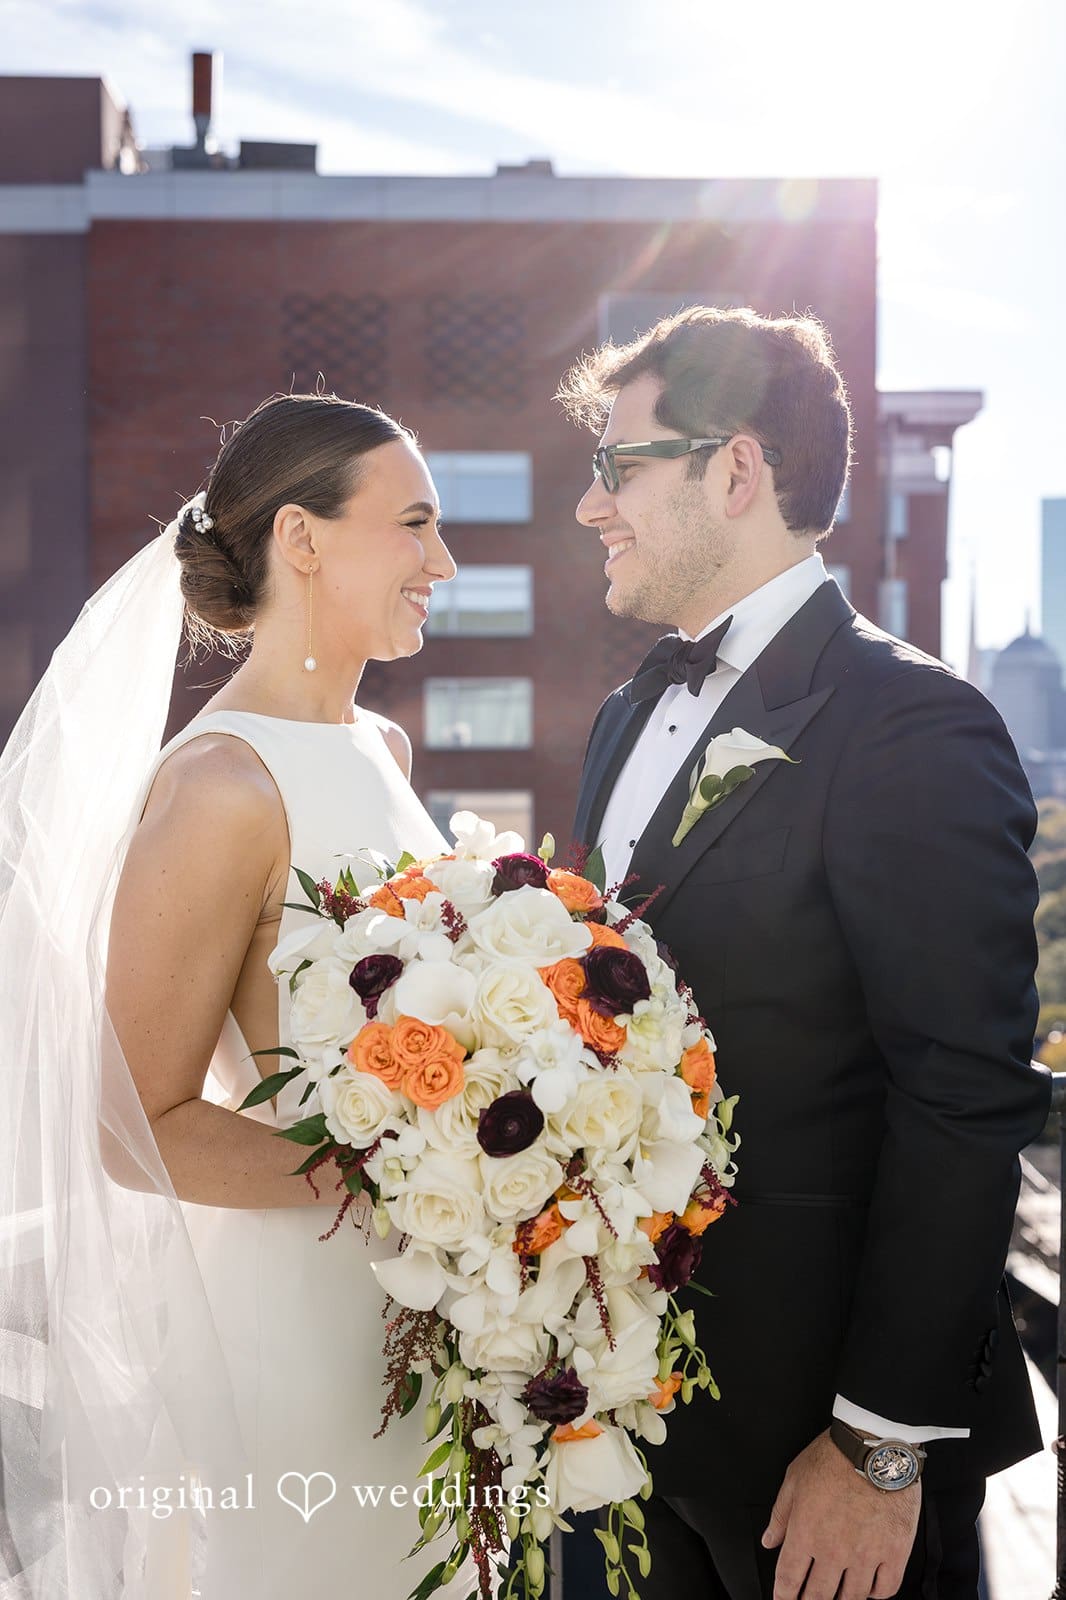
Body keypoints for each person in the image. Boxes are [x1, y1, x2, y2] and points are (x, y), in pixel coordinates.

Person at [559, 307, 1052, 1600]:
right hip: (616, 1437)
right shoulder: (622, 717)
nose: (585, 508)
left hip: (817, 1477)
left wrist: (877, 1445)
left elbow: (963, 1101)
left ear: (736, 470)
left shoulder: (914, 730)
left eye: (617, 468)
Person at [0, 393, 479, 1598]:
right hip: (297, 1331)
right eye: (414, 525)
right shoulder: (221, 784)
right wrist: (407, 1181)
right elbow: (128, 1122)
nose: (443, 562)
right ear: (302, 540)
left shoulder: (384, 749)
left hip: (434, 1316)